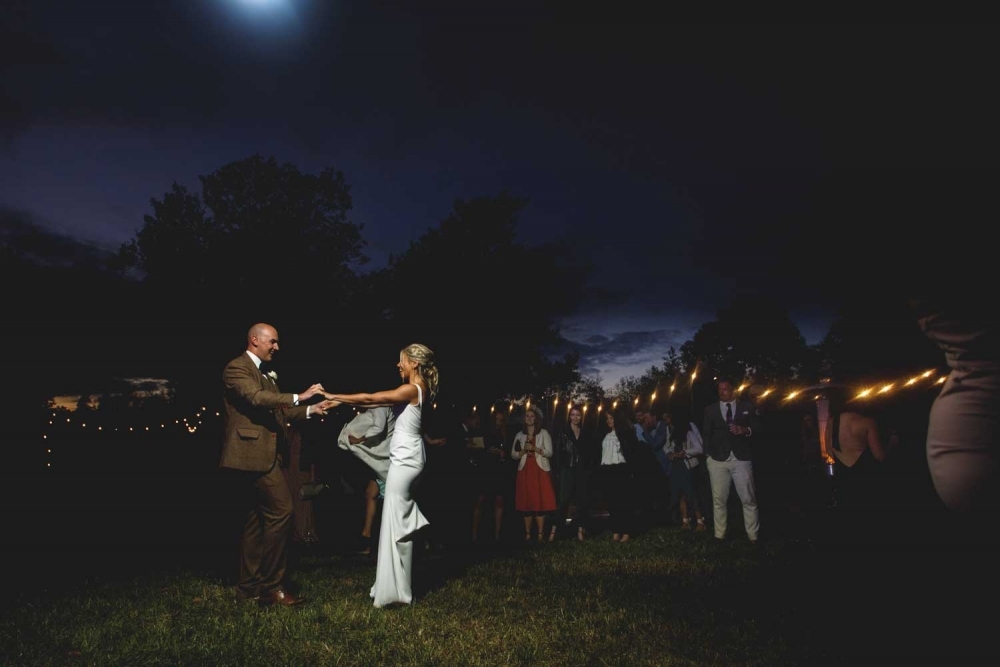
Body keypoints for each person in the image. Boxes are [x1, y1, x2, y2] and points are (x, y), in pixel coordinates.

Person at [221, 323, 335, 607]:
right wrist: (300, 395)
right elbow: (257, 399)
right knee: (282, 510)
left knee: (255, 521)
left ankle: (248, 590)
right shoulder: (236, 368)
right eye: (273, 341)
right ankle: (272, 587)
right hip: (250, 454)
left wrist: (310, 409)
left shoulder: (264, 374)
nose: (277, 347)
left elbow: (278, 411)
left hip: (264, 455)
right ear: (255, 340)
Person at [321, 343, 439, 608]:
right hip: (405, 457)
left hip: (407, 459)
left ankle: (398, 591)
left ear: (414, 364)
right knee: (394, 520)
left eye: (402, 361)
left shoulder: (412, 389)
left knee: (396, 522)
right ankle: (394, 587)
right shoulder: (417, 389)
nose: (398, 365)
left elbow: (371, 399)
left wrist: (338, 396)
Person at [702, 378, 761, 543]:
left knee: (748, 498)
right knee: (719, 499)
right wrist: (708, 457)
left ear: (733, 390)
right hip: (718, 460)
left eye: (725, 389)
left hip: (741, 458)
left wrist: (745, 430)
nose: (722, 392)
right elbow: (706, 434)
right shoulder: (710, 409)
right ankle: (719, 535)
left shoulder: (746, 407)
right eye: (719, 389)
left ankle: (753, 536)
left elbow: (758, 428)